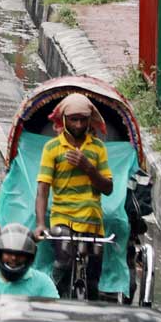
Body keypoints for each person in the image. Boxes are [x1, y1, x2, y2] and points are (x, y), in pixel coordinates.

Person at [35, 92, 113, 295]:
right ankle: (51, 297)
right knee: (63, 263)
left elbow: (108, 188)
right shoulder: (52, 148)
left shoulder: (98, 148)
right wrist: (41, 224)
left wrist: (88, 168)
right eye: (73, 120)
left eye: (83, 120)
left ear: (90, 120)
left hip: (92, 220)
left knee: (94, 281)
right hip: (63, 219)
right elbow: (43, 190)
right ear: (64, 120)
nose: (78, 125)